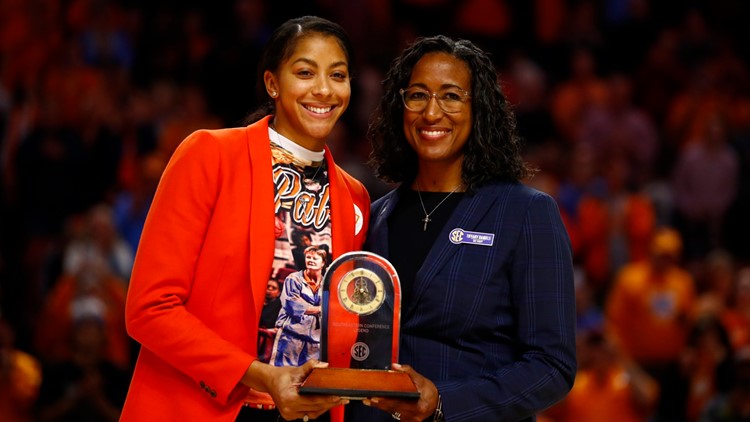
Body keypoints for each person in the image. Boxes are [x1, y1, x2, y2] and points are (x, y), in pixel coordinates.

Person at [121, 16, 370, 422]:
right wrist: (260, 376)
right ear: (272, 83)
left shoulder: (354, 198)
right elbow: (149, 308)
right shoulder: (210, 156)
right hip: (203, 407)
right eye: (305, 72)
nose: (323, 89)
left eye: (337, 75)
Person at [347, 35, 576, 421]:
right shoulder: (375, 216)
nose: (431, 113)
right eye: (417, 95)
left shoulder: (526, 213)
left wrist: (443, 402)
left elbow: (552, 366)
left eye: (451, 96)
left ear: (479, 109)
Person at [270, 245, 327, 367]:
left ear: (323, 263)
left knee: (310, 376)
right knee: (283, 372)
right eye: (308, 257)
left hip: (315, 338)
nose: (310, 260)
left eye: (315, 258)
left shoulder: (327, 284)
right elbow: (292, 305)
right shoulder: (293, 279)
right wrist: (320, 309)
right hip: (291, 335)